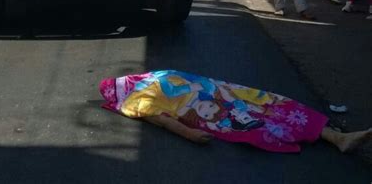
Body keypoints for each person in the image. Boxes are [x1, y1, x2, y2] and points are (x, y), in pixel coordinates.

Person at [100, 70, 372, 153]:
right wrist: (189, 133)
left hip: (222, 92)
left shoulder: (150, 80)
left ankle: (335, 136)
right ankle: (334, 137)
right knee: (262, 113)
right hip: (214, 106)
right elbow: (161, 120)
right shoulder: (135, 99)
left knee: (273, 104)